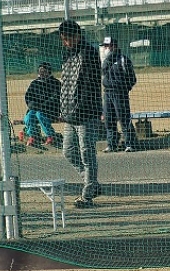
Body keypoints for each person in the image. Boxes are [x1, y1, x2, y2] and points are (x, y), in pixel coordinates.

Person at [58, 20, 102, 208]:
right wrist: (63, 108)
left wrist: (82, 107)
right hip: (70, 114)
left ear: (77, 36)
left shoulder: (90, 53)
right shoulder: (67, 54)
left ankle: (87, 196)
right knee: (68, 151)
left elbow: (91, 86)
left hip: (87, 114)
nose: (65, 42)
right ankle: (91, 183)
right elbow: (65, 84)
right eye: (63, 39)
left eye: (67, 39)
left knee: (87, 154)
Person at [100, 37, 138, 153]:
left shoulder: (123, 60)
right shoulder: (104, 61)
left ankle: (130, 144)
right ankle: (111, 144)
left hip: (119, 93)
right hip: (107, 93)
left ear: (114, 46)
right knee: (109, 119)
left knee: (124, 118)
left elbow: (132, 78)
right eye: (105, 46)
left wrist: (124, 89)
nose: (105, 48)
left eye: (108, 46)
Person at [19, 62, 61, 147]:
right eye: (40, 71)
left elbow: (56, 98)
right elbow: (28, 96)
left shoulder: (56, 83)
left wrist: (43, 106)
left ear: (49, 71)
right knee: (29, 116)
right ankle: (33, 137)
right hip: (37, 109)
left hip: (51, 110)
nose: (42, 73)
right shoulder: (35, 83)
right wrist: (31, 104)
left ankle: (51, 136)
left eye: (44, 71)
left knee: (39, 114)